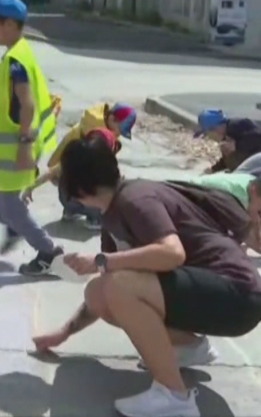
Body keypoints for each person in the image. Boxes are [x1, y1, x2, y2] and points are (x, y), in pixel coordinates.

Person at [34, 136, 261, 417]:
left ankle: (175, 398)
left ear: (80, 189)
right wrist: (64, 333)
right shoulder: (114, 214)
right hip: (217, 295)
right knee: (99, 290)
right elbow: (106, 286)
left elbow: (171, 254)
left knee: (117, 284)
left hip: (237, 295)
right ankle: (188, 347)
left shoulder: (136, 199)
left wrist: (101, 260)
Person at [0, 0, 62, 277]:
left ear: (9, 24)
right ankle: (14, 224)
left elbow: (27, 104)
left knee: (9, 207)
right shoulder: (17, 53)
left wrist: (24, 146)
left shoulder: (17, 61)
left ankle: (48, 253)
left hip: (13, 151)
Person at [22, 102, 137, 229]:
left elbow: (56, 169)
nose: (119, 135)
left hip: (65, 190)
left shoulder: (91, 130)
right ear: (111, 119)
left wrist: (31, 187)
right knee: (106, 189)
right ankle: (95, 217)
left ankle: (71, 210)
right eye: (120, 130)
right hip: (77, 191)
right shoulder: (99, 143)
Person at [181, 172, 261, 253]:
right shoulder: (238, 194)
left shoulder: (252, 182)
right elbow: (246, 232)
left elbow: (255, 216)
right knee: (238, 224)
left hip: (207, 193)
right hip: (193, 194)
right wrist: (257, 246)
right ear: (253, 190)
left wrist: (258, 239)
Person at [194, 109, 261, 175]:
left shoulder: (238, 126)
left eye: (207, 134)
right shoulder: (227, 136)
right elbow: (226, 160)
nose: (208, 137)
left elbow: (257, 138)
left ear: (215, 129)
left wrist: (237, 146)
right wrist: (214, 169)